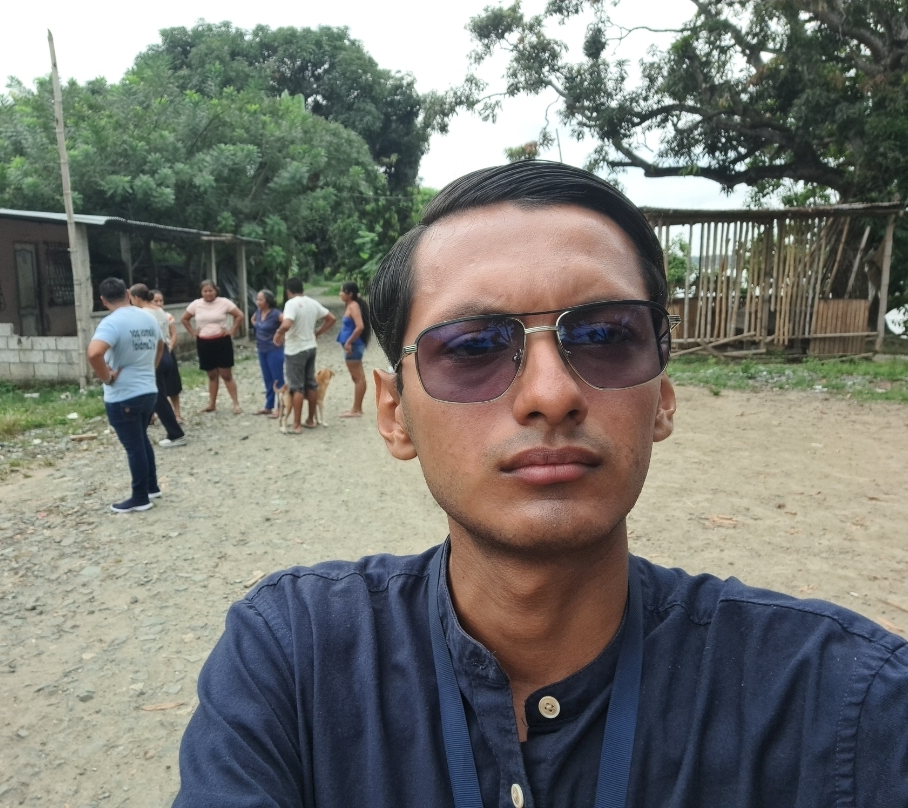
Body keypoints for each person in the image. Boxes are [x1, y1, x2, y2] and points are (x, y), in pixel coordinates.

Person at [172, 162, 908, 807]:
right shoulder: (293, 660)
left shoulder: (846, 702)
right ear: (395, 415)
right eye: (472, 347)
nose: (552, 395)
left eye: (605, 335)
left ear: (662, 399)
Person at [86, 277, 164, 513]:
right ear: (128, 293)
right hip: (148, 390)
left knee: (134, 446)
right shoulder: (147, 317)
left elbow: (94, 354)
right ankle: (151, 486)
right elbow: (160, 344)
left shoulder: (111, 323)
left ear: (103, 300)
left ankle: (140, 497)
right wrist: (150, 368)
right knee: (141, 439)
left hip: (123, 394)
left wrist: (107, 377)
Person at [272, 277, 336, 434]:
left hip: (295, 350)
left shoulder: (291, 304)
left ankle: (296, 425)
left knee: (296, 387)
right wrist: (317, 333)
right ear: (302, 288)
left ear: (288, 291)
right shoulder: (312, 303)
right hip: (310, 347)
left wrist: (278, 333)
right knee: (311, 384)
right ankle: (310, 420)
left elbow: (287, 323)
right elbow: (331, 318)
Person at [129, 283, 186, 448]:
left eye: (131, 298)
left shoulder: (142, 314)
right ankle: (145, 423)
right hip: (166, 354)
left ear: (136, 297)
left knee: (158, 399)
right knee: (153, 394)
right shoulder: (159, 311)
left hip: (155, 356)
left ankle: (175, 434)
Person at [181, 280, 244, 415]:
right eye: (205, 291)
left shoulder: (224, 302)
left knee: (226, 374)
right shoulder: (196, 304)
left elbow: (239, 315)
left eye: (210, 291)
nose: (208, 293)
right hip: (204, 342)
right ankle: (212, 404)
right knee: (211, 375)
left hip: (222, 341)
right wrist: (192, 332)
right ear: (201, 292)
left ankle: (235, 403)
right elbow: (184, 319)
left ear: (215, 291)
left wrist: (232, 330)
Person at [336, 280, 371, 417]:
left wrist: (349, 342)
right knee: (358, 377)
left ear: (349, 294)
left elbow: (360, 326)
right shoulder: (352, 305)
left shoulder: (353, 306)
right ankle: (357, 408)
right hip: (354, 346)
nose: (340, 294)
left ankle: (356, 409)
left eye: (342, 291)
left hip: (354, 346)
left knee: (358, 378)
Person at [150, 289, 183, 423]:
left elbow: (173, 334)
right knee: (152, 384)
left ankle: (177, 413)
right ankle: (151, 413)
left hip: (166, 352)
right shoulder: (146, 316)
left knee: (172, 384)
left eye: (161, 301)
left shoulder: (167, 316)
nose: (159, 303)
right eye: (155, 301)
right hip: (151, 354)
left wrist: (170, 347)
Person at [251, 289, 284, 416]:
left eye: (260, 299)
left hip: (274, 349)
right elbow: (253, 319)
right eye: (257, 299)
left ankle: (281, 407)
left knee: (278, 378)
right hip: (261, 348)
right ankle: (268, 405)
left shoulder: (276, 314)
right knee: (267, 378)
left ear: (268, 301)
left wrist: (281, 335)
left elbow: (287, 323)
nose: (258, 302)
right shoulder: (259, 312)